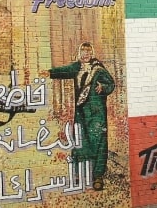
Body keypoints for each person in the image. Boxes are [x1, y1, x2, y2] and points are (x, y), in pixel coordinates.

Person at [41, 42, 115, 191]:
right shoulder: (77, 67)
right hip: (81, 112)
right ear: (79, 53)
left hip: (96, 113)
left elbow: (111, 84)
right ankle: (77, 174)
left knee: (99, 142)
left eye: (88, 52)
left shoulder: (99, 69)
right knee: (80, 140)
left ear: (91, 53)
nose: (85, 54)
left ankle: (98, 176)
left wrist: (103, 88)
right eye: (83, 51)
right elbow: (65, 71)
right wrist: (50, 73)